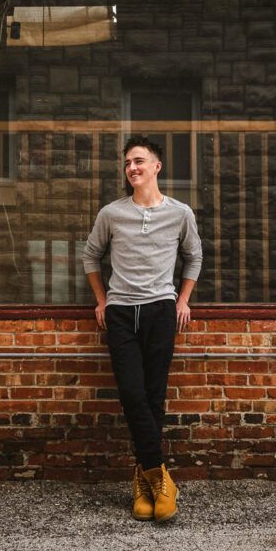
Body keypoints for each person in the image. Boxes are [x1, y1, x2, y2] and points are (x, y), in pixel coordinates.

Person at [82, 135, 202, 522]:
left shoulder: (180, 213)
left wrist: (183, 300)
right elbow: (90, 256)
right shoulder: (111, 214)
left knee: (153, 397)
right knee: (132, 394)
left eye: (138, 161)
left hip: (160, 311)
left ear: (156, 167)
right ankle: (159, 476)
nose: (131, 168)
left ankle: (143, 481)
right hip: (120, 313)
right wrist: (101, 300)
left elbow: (194, 257)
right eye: (127, 163)